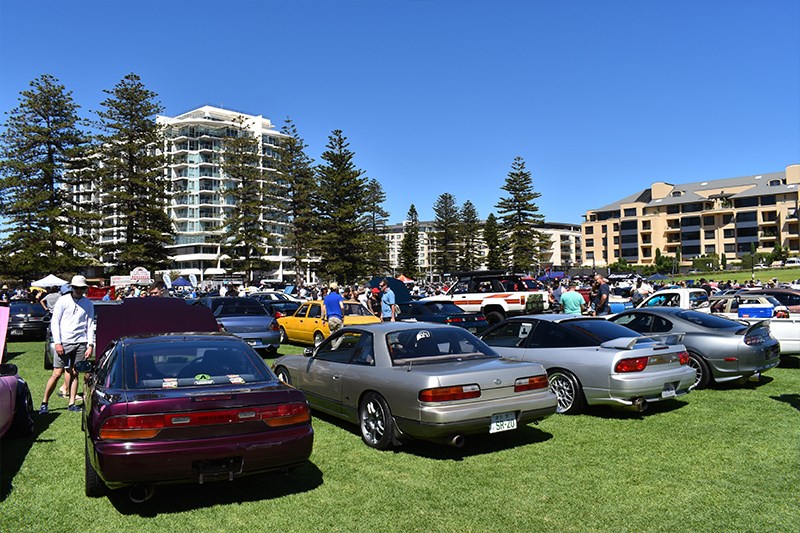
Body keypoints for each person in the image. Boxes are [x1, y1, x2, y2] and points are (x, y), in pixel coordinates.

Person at [39, 275, 95, 414]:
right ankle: (44, 402)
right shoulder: (62, 301)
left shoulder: (88, 304)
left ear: (84, 289)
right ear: (72, 288)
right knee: (57, 373)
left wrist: (90, 344)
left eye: (81, 288)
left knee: (75, 373)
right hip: (64, 342)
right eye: (76, 288)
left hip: (80, 342)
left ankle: (71, 403)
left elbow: (89, 324)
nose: (78, 290)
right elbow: (55, 322)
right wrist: (58, 342)